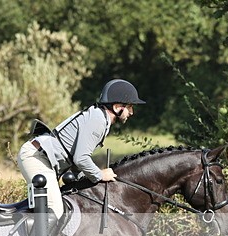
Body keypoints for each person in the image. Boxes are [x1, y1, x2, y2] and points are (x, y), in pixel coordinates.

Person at [17, 79, 146, 220]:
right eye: (130, 107)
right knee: (56, 210)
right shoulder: (98, 120)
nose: (132, 112)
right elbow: (81, 158)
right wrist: (100, 174)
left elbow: (74, 157)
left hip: (40, 157)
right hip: (36, 157)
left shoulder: (99, 117)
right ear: (117, 107)